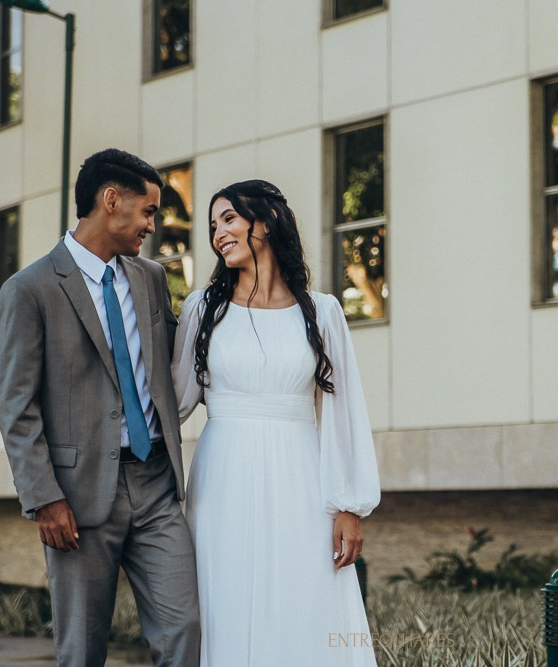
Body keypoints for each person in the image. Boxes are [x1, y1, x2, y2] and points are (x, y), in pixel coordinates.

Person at [0, 148, 200, 666]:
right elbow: (17, 406)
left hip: (155, 483)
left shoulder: (151, 279)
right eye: (149, 211)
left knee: (186, 631)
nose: (152, 225)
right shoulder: (30, 290)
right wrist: (44, 498)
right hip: (77, 497)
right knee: (82, 650)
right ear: (112, 201)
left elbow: (184, 353)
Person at [172, 179, 380, 665]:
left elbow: (344, 413)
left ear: (265, 222)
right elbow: (171, 401)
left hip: (301, 478)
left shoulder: (322, 312)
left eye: (228, 219)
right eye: (212, 225)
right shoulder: (202, 310)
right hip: (222, 478)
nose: (218, 233)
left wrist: (349, 505)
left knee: (305, 597)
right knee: (226, 597)